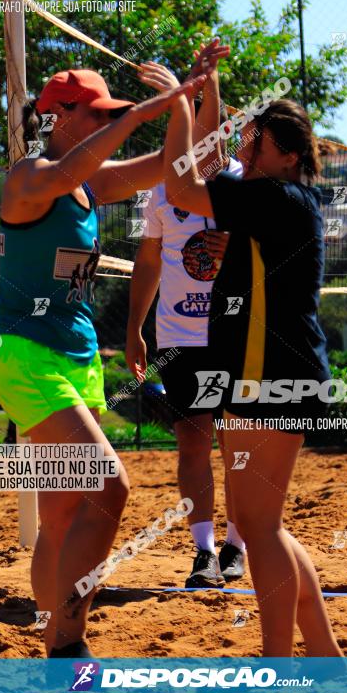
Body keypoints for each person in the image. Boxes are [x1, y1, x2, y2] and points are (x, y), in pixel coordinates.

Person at [0, 67, 205, 658]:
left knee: (61, 517)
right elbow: (65, 171)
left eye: (115, 112)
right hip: (27, 357)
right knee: (109, 486)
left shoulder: (93, 185)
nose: (111, 119)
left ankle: (47, 632)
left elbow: (175, 169)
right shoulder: (30, 177)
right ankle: (68, 644)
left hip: (77, 356)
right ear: (58, 117)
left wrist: (185, 105)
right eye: (100, 113)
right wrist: (141, 113)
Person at [163, 43, 343, 657]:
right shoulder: (277, 197)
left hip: (274, 376)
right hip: (268, 374)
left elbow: (184, 183)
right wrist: (206, 89)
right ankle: (324, 659)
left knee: (261, 529)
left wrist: (178, 106)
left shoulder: (274, 198)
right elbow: (211, 170)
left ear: (287, 155)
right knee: (267, 527)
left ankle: (278, 666)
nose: (245, 145)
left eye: (256, 139)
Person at [126, 51, 245, 589]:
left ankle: (237, 547)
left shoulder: (246, 186)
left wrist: (208, 84)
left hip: (239, 337)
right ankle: (202, 554)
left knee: (239, 446)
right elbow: (148, 260)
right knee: (193, 442)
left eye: (214, 130)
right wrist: (134, 329)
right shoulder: (163, 190)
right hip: (177, 336)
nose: (205, 139)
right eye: (195, 130)